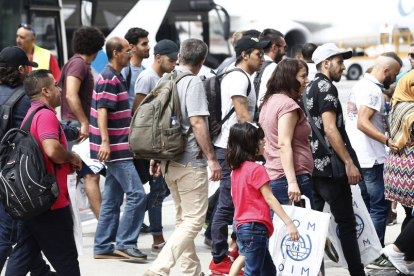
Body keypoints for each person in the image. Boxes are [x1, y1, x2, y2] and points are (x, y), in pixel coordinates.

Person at [144, 38, 222, 276]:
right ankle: (159, 269)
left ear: (179, 57)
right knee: (193, 221)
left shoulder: (165, 79)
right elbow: (198, 122)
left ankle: (191, 271)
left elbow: (156, 120)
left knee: (182, 219)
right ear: (202, 61)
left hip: (168, 158)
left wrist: (156, 156)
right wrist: (211, 158)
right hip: (189, 159)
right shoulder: (192, 83)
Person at [5, 69, 82, 276]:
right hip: (51, 202)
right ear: (46, 91)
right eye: (56, 85)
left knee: (23, 255)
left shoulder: (29, 116)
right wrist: (71, 157)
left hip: (32, 201)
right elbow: (52, 150)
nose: (59, 89)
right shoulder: (46, 115)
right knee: (67, 261)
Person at [304, 43, 367, 276]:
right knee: (347, 225)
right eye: (339, 62)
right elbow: (331, 129)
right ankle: (357, 273)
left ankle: (314, 272)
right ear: (326, 63)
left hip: (313, 168)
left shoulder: (308, 87)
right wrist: (349, 162)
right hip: (332, 169)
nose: (344, 67)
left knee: (315, 227)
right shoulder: (327, 88)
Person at [209, 36, 270, 275]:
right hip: (230, 147)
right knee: (227, 203)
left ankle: (233, 251)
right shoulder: (237, 77)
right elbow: (242, 114)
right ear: (244, 54)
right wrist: (263, 141)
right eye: (258, 53)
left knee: (235, 202)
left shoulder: (241, 75)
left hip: (234, 146)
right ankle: (218, 257)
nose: (263, 58)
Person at [0, 46, 61, 276]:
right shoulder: (26, 100)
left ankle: (41, 272)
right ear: (21, 69)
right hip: (16, 177)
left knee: (24, 229)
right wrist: (73, 133)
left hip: (3, 175)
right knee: (10, 233)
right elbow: (43, 125)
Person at [91, 37, 147, 260]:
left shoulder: (116, 76)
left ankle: (103, 245)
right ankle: (125, 243)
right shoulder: (108, 78)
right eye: (127, 51)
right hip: (114, 148)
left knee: (113, 199)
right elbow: (102, 110)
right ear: (116, 53)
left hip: (117, 146)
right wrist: (105, 142)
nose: (130, 54)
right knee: (137, 194)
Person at [346, 52, 402, 269]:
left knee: (369, 208)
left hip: (360, 157)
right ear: (385, 71)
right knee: (380, 208)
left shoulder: (360, 86)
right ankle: (375, 255)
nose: (395, 80)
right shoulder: (372, 91)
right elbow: (362, 122)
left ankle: (365, 252)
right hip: (372, 159)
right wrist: (387, 140)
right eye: (394, 75)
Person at [226, 122, 300, 276]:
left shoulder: (236, 171)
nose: (264, 141)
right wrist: (289, 222)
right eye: (260, 139)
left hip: (242, 227)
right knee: (252, 272)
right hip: (255, 228)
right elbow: (270, 198)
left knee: (268, 271)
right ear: (250, 144)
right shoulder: (257, 169)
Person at [132, 39, 179, 255]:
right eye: (171, 60)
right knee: (157, 192)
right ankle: (157, 238)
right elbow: (138, 114)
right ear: (158, 57)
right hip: (152, 147)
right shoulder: (147, 78)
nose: (174, 65)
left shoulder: (164, 76)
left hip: (162, 144)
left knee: (161, 190)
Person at [60, 26, 106, 219]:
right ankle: (106, 228)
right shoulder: (78, 64)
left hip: (74, 126)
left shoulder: (76, 63)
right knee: (90, 175)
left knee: (76, 176)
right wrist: (85, 123)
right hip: (76, 127)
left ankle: (68, 224)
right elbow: (71, 94)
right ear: (96, 48)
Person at [383, 69, 414, 258]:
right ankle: (397, 251)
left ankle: (408, 260)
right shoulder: (410, 110)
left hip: (398, 170)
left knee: (410, 215)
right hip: (409, 171)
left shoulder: (398, 104)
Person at [256, 29, 286, 108]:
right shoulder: (273, 68)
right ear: (274, 48)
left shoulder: (254, 65)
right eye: (284, 47)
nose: (285, 52)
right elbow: (262, 100)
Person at [122, 27, 150, 109]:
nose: (148, 47)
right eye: (144, 44)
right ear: (132, 47)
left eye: (148, 43)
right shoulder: (125, 69)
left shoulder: (143, 70)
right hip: (128, 120)